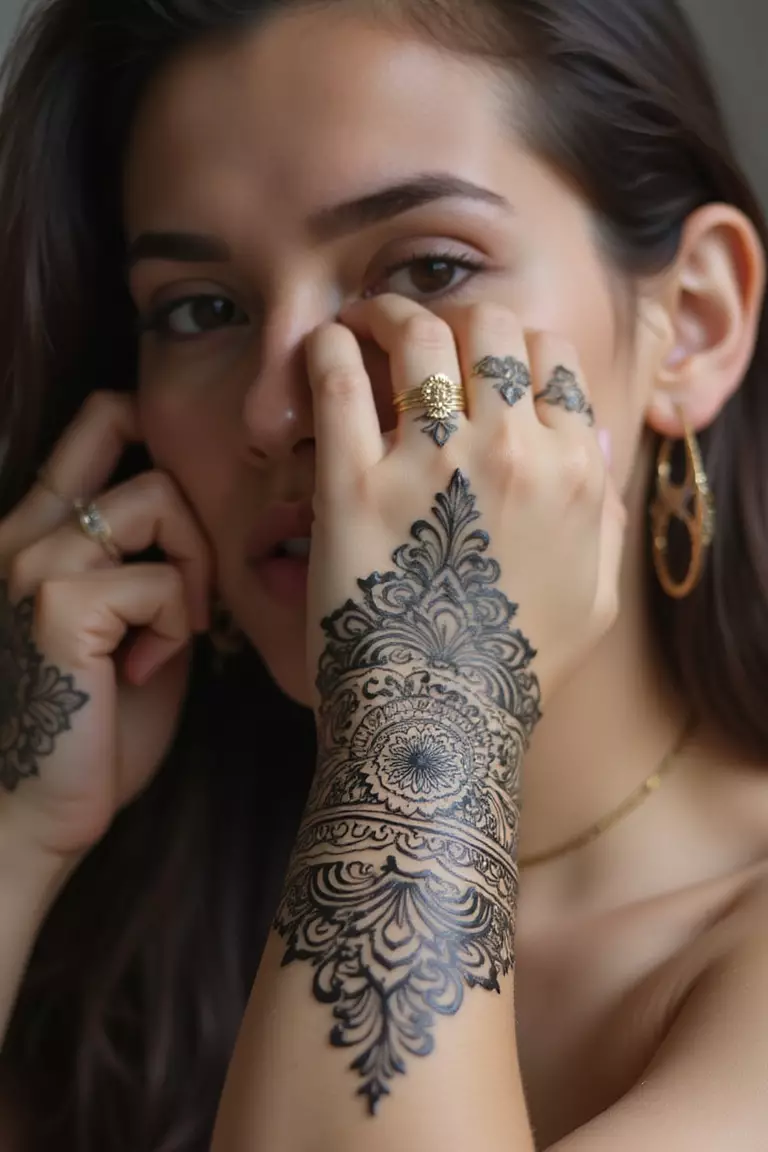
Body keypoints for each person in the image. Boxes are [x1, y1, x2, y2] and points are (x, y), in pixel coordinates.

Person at [0, 0, 767, 1148]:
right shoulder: (127, 904)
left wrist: (432, 692)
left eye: (426, 269)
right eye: (201, 310)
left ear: (694, 322)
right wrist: (21, 832)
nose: (276, 409)